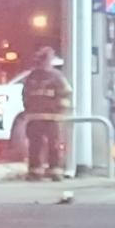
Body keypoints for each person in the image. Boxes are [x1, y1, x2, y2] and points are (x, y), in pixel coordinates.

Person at [20, 47, 72, 181]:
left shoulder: (55, 76)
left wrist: (59, 110)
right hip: (38, 117)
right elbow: (25, 95)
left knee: (51, 145)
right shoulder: (34, 76)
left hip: (51, 117)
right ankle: (36, 171)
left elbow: (66, 93)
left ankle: (54, 171)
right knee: (37, 145)